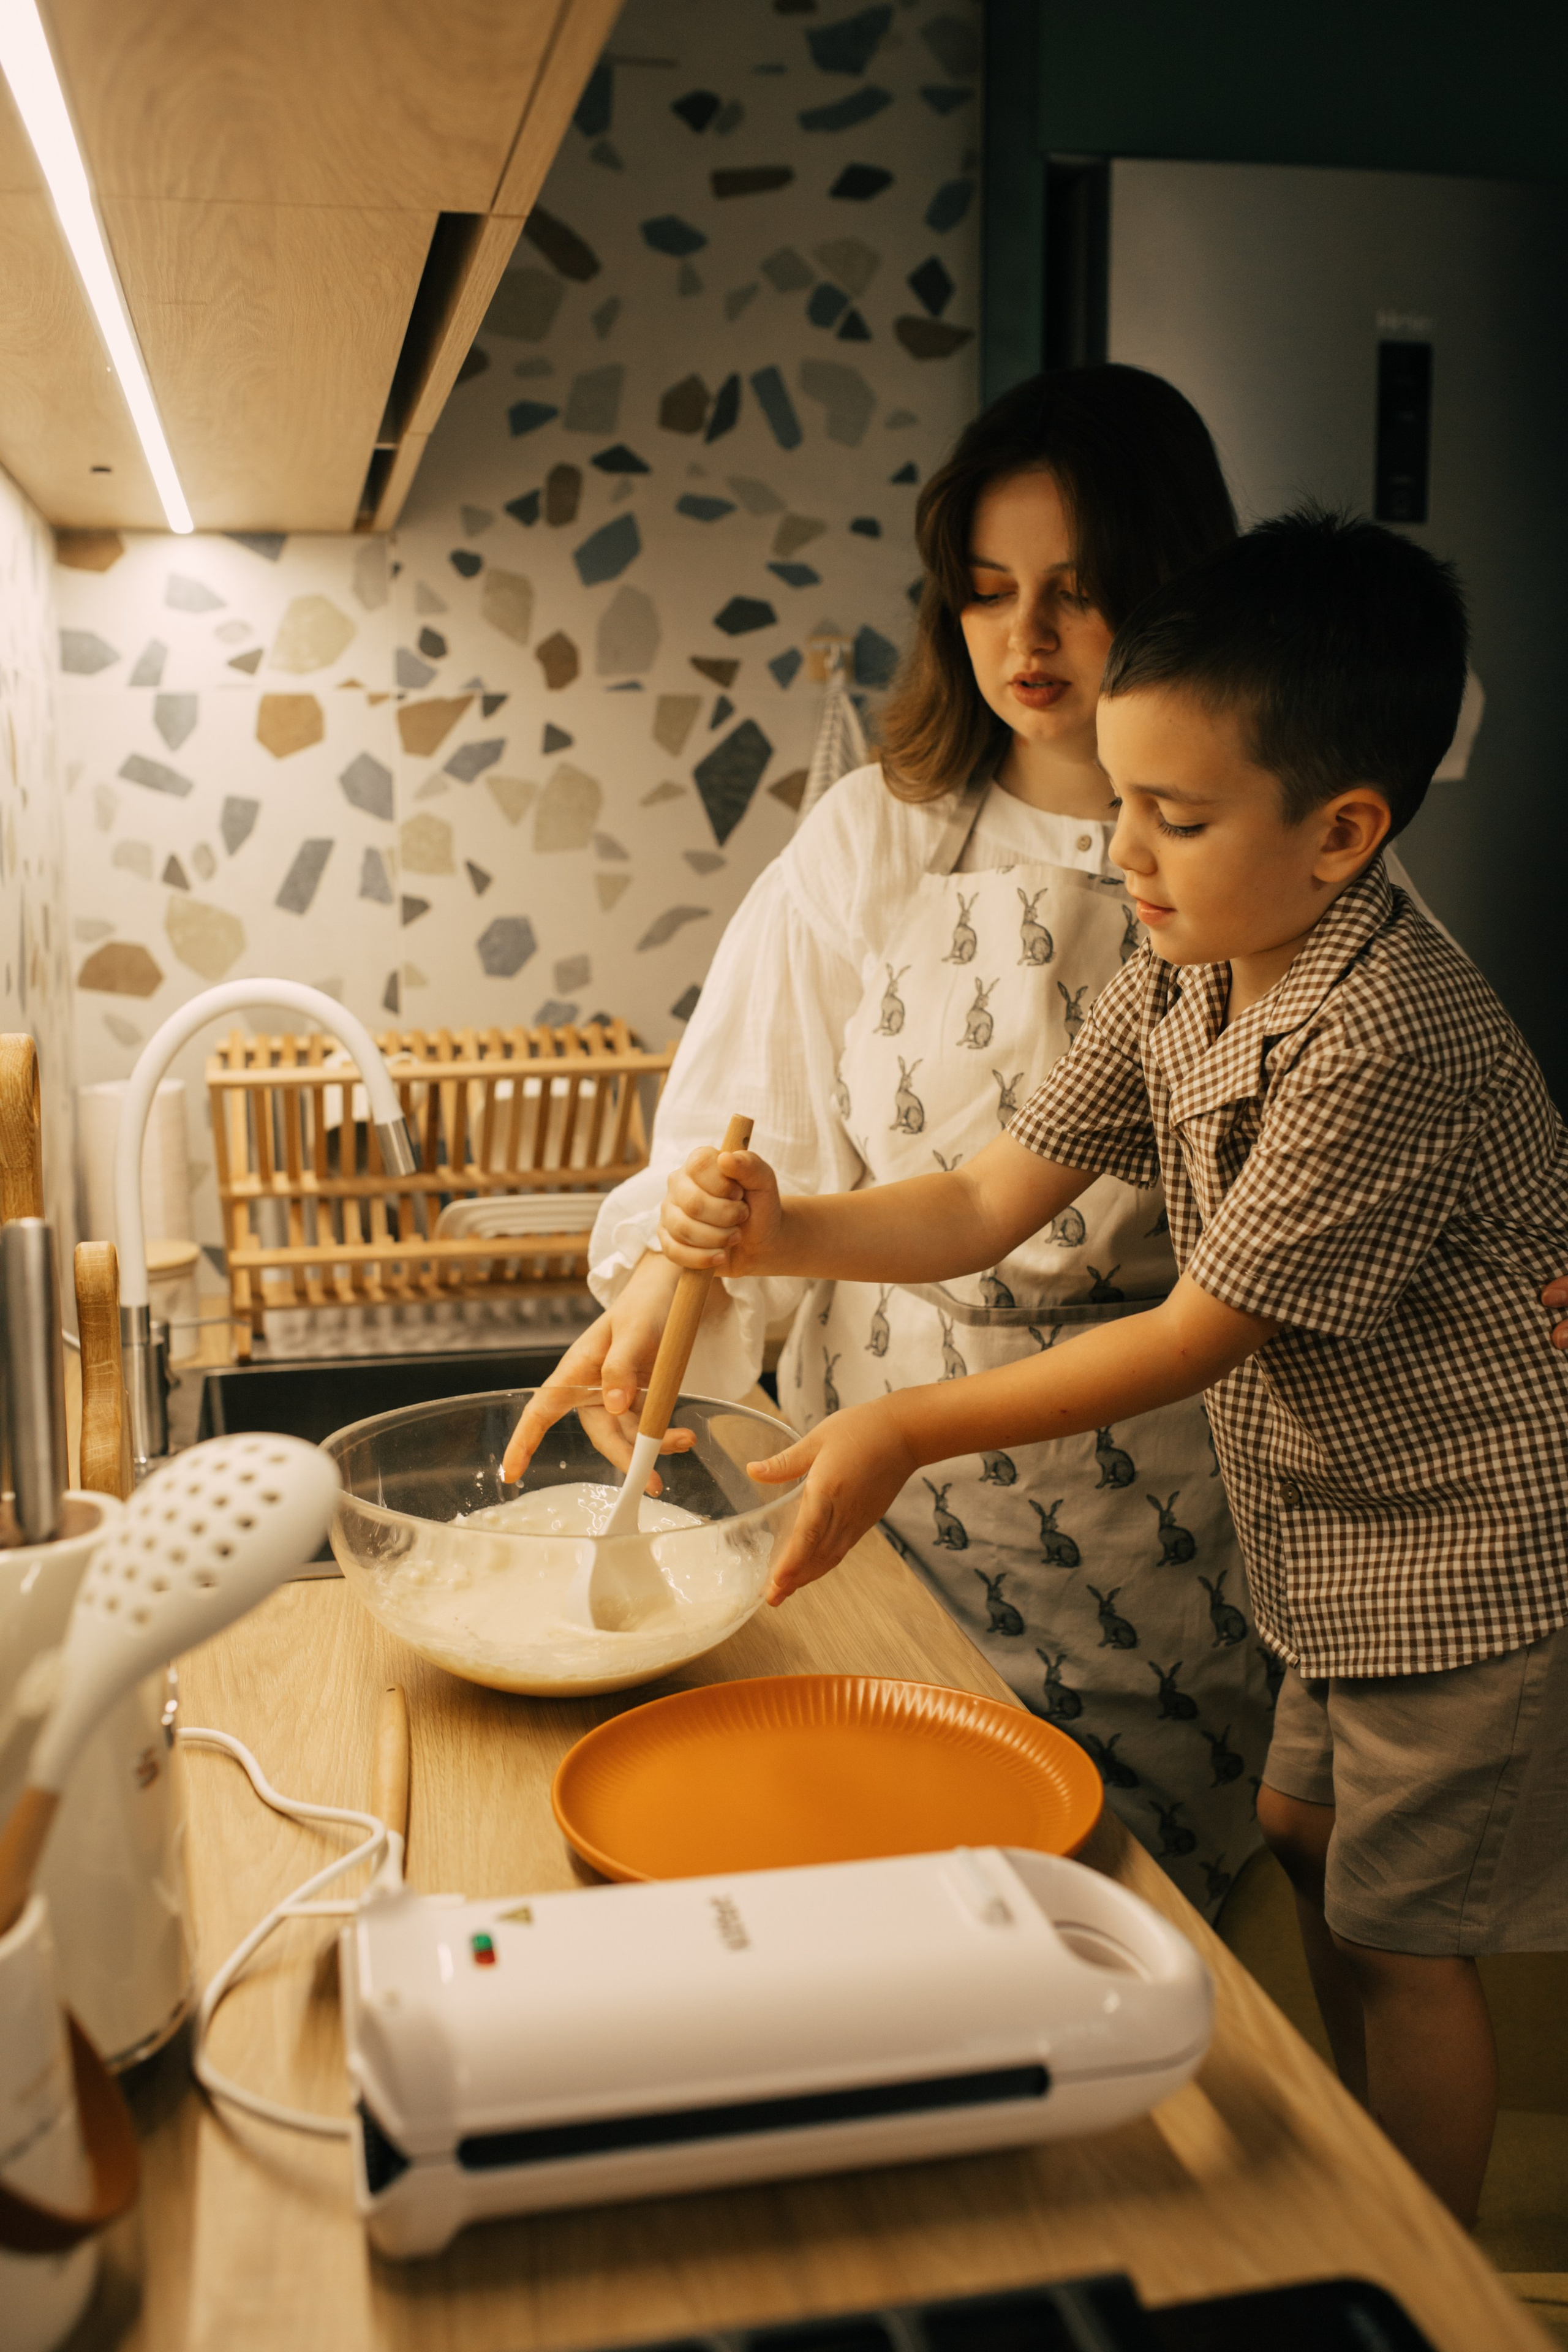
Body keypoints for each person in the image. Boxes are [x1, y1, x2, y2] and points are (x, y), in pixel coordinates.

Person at [657, 509, 1568, 2228]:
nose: (1126, 850)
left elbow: (1191, 1331)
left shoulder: (1385, 1037)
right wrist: (790, 1231)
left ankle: (1422, 2269)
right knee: (1300, 1840)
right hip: (1325, 1523)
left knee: (1398, 1937)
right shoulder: (1188, 968)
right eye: (1125, 803)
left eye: (1178, 814)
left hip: (1459, 1545)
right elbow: (992, 1194)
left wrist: (900, 1427)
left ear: (1344, 834)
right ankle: (1362, 2188)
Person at [508, 365, 1285, 1917]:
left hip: (1170, 1500)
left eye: (1078, 593)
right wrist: (676, 1272)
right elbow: (757, 1137)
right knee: (894, 1886)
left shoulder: (1268, 849)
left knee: (1135, 1920)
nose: (1027, 641)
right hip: (890, 1492)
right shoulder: (870, 837)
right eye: (987, 594)